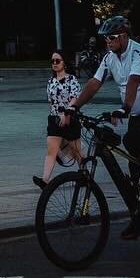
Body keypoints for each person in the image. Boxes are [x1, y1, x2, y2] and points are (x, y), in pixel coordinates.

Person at [70, 14, 140, 239]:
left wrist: (124, 109)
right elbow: (94, 82)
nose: (108, 41)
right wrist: (74, 105)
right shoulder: (110, 58)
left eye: (112, 37)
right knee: (134, 166)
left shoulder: (138, 53)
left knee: (131, 142)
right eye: (106, 38)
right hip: (138, 114)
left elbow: (133, 82)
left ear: (124, 36)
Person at [42, 47, 83, 184]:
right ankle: (45, 180)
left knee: (76, 151)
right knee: (51, 152)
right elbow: (52, 102)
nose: (54, 63)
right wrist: (58, 115)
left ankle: (85, 175)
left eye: (57, 60)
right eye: (52, 61)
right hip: (54, 119)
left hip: (69, 118)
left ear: (64, 63)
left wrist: (67, 113)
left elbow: (74, 97)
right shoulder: (51, 82)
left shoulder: (72, 79)